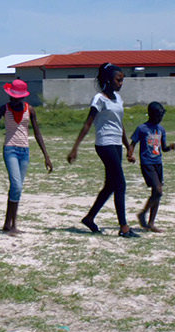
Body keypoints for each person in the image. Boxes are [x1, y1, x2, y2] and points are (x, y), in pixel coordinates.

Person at [67, 63, 138, 238]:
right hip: (104, 144)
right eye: (118, 80)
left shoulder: (118, 99)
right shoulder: (99, 99)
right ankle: (124, 227)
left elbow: (119, 125)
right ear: (108, 80)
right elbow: (88, 123)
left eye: (122, 80)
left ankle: (90, 218)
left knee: (111, 185)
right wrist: (75, 147)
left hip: (115, 144)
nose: (121, 83)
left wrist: (128, 147)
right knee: (120, 183)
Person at [0, 79, 53, 235]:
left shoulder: (30, 109)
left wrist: (46, 155)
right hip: (10, 150)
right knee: (16, 185)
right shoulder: (4, 109)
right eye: (11, 97)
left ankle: (9, 224)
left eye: (16, 97)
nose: (13, 100)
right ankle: (11, 225)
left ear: (23, 97)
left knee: (16, 189)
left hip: (24, 151)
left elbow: (37, 133)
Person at [127, 102, 175, 232]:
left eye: (161, 116)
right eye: (158, 115)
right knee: (158, 190)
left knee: (157, 194)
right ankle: (143, 213)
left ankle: (151, 223)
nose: (160, 118)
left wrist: (169, 148)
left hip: (158, 163)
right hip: (147, 163)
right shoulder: (142, 129)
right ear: (151, 114)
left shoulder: (161, 129)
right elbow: (133, 143)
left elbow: (163, 148)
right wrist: (129, 155)